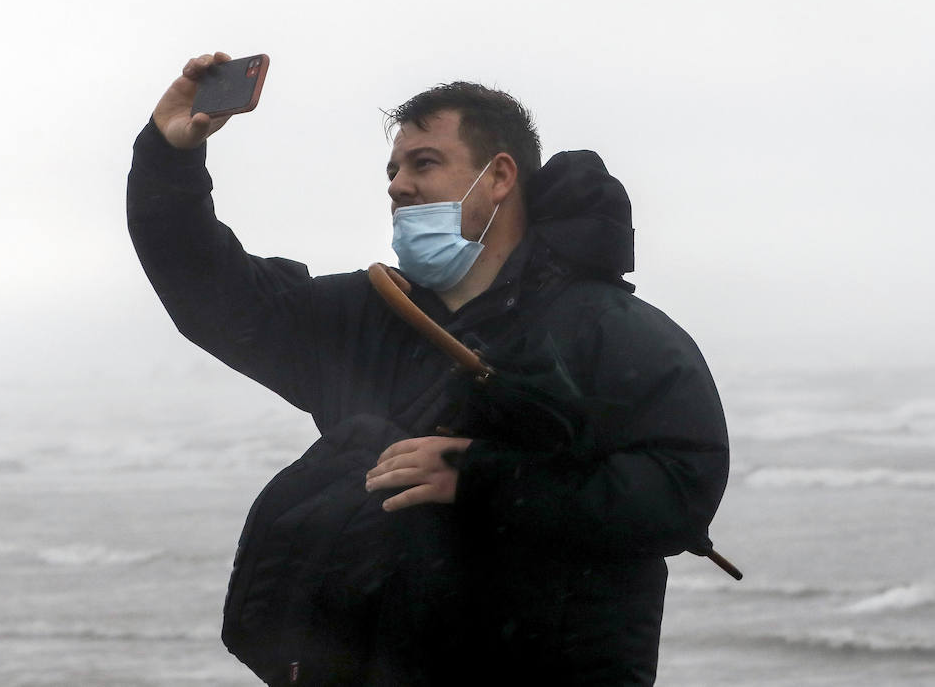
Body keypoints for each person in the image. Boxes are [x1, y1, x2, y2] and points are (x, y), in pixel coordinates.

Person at [128, 52, 730, 686]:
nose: (396, 186)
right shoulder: (366, 316)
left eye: (424, 164)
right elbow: (215, 297)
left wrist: (483, 478)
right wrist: (170, 158)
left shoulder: (609, 331)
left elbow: (679, 494)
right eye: (392, 170)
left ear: (499, 177)